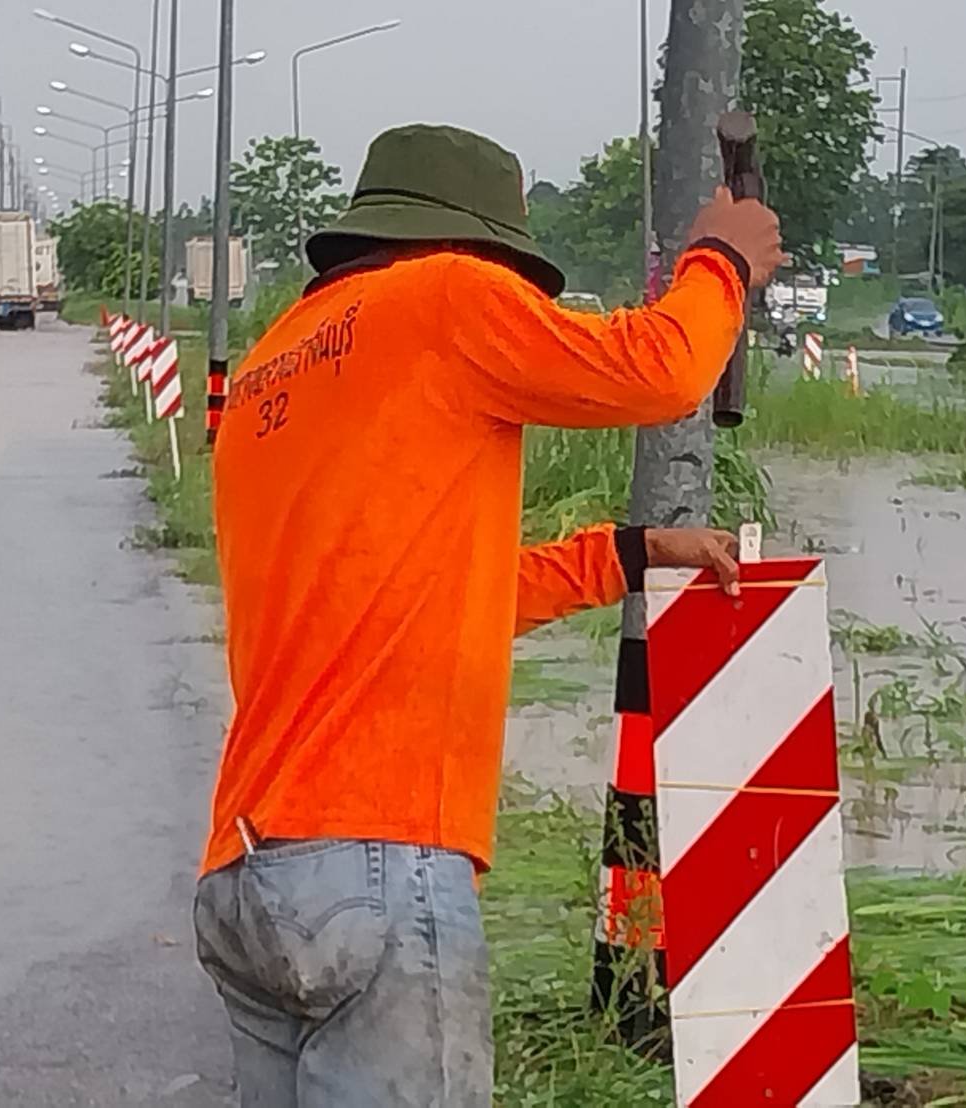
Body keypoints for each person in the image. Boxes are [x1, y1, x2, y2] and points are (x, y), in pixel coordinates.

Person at [194, 123, 785, 1106]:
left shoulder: (270, 368)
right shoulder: (443, 298)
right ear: (473, 247)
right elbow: (659, 369)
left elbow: (431, 596)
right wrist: (719, 258)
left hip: (248, 876)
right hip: (376, 867)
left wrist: (626, 554)